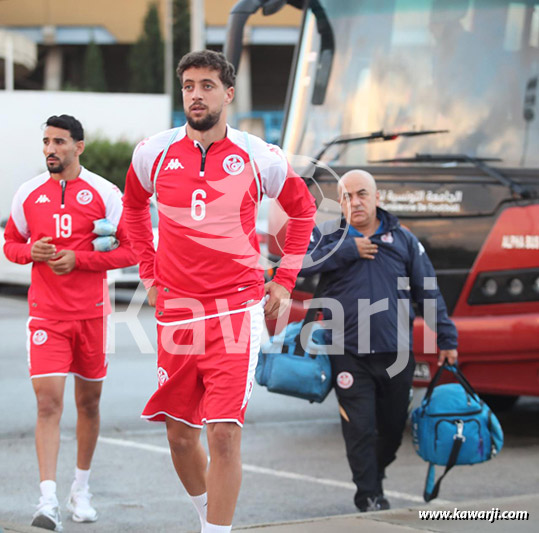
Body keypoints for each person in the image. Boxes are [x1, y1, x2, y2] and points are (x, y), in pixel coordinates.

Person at [122, 50, 316, 533]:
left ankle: (216, 529)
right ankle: (209, 514)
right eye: (189, 85)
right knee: (180, 438)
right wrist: (148, 272)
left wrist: (285, 281)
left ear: (228, 94)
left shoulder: (258, 155)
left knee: (225, 436)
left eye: (207, 85)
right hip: (176, 316)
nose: (196, 95)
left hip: (237, 312)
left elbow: (304, 211)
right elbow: (131, 212)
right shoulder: (153, 153)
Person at [3, 115, 136, 531]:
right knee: (48, 404)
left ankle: (81, 489)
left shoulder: (105, 193)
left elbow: (131, 250)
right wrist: (32, 253)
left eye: (59, 142)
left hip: (93, 316)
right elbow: (10, 244)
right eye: (45, 142)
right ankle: (47, 502)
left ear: (79, 146)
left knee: (88, 404)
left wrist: (83, 259)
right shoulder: (27, 193)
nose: (50, 149)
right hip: (46, 314)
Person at [299, 169, 458, 512]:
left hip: (396, 354)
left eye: (361, 194)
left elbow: (427, 293)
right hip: (347, 353)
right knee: (359, 429)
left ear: (377, 198)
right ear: (339, 203)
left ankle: (376, 471)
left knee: (390, 428)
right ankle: (369, 495)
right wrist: (347, 250)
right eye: (345, 196)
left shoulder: (403, 240)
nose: (354, 202)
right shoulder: (328, 237)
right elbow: (297, 266)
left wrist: (445, 338)